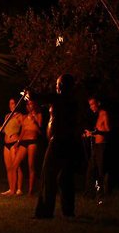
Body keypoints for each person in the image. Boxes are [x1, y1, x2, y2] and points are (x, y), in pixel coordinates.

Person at [33, 74, 83, 219]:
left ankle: (45, 212)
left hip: (58, 142)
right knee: (65, 177)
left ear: (62, 85)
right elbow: (44, 99)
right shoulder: (70, 100)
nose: (56, 86)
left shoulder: (62, 99)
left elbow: (42, 97)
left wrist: (30, 94)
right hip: (67, 142)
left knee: (48, 175)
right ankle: (68, 211)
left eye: (58, 83)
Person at [0, 98, 24, 196]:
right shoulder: (7, 116)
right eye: (10, 103)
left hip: (14, 142)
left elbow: (25, 129)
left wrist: (19, 142)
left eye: (14, 103)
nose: (12, 105)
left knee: (16, 167)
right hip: (6, 144)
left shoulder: (20, 116)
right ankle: (11, 189)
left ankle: (19, 189)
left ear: (17, 104)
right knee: (9, 168)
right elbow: (4, 130)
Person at [10, 100, 43, 196]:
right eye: (28, 104)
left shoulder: (39, 114)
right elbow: (23, 130)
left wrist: (35, 118)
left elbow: (40, 128)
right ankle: (13, 189)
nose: (30, 106)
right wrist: (18, 142)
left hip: (33, 141)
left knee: (31, 165)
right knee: (15, 164)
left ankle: (30, 190)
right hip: (24, 141)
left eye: (31, 104)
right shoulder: (24, 117)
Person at [84, 96, 111, 199]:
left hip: (102, 146)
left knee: (100, 171)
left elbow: (108, 130)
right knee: (90, 170)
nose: (91, 107)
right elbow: (98, 132)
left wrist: (95, 132)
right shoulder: (98, 115)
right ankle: (89, 194)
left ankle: (102, 194)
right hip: (95, 146)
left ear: (98, 103)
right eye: (90, 105)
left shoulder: (104, 113)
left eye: (93, 104)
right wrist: (89, 134)